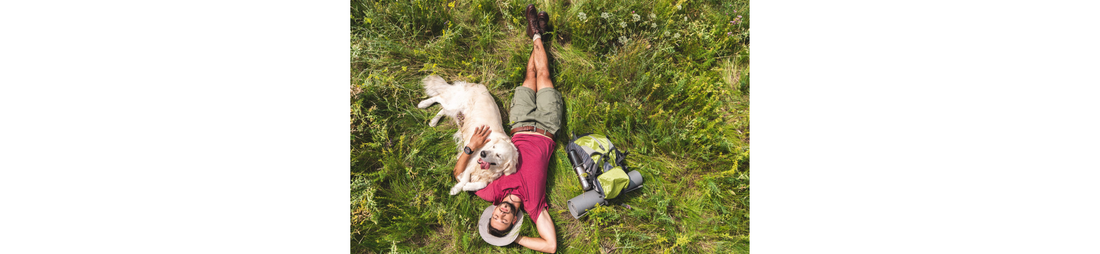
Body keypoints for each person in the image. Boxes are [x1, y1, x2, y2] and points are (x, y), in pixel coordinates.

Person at [452, 4, 559, 253]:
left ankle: (537, 33)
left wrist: (470, 148)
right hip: (546, 127)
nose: (501, 214)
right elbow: (551, 246)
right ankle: (536, 33)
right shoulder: (534, 206)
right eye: (504, 221)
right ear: (513, 222)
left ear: (492, 211)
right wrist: (514, 239)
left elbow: (458, 175)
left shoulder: (491, 193)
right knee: (543, 73)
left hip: (520, 126)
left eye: (496, 217)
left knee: (530, 73)